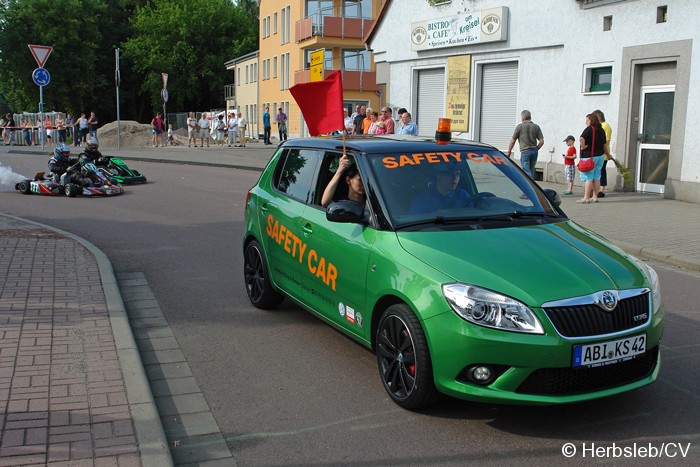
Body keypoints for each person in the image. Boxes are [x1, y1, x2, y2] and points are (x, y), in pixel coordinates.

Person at [577, 113, 608, 204]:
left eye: (587, 120)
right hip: (600, 156)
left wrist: (582, 147)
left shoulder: (589, 129)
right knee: (597, 176)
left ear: (591, 120)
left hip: (590, 156)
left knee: (588, 177)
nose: (586, 122)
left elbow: (581, 138)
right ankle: (595, 197)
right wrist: (607, 154)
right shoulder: (601, 129)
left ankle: (586, 197)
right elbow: (604, 143)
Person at [506, 110, 544, 178]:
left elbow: (512, 141)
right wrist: (536, 148)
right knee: (531, 171)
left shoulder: (519, 127)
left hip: (525, 152)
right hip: (534, 151)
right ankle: (533, 186)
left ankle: (528, 186)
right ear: (530, 117)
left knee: (526, 172)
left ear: (523, 118)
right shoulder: (536, 127)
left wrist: (509, 151)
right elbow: (541, 141)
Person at [593, 109, 612, 197]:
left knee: (601, 170)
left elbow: (606, 141)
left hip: (602, 153)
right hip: (597, 152)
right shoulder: (599, 126)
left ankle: (602, 188)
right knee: (598, 170)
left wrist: (606, 153)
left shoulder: (605, 126)